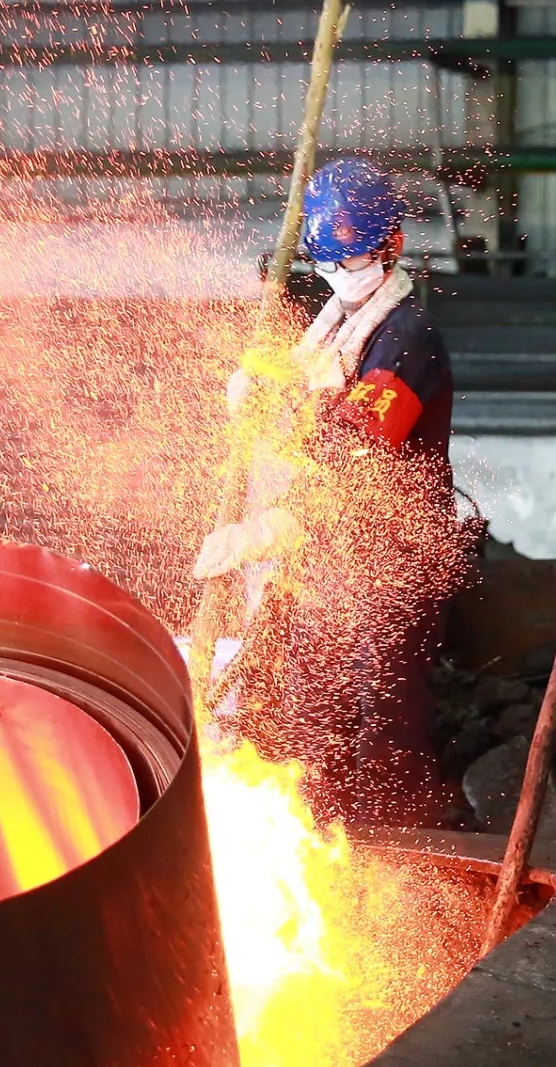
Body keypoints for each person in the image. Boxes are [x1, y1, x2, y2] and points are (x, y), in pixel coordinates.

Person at [193, 158, 459, 824]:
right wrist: (263, 397)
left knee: (383, 729)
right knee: (312, 725)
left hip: (387, 570)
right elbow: (309, 416)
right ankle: (328, 858)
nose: (339, 273)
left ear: (392, 244)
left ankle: (406, 872)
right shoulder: (331, 326)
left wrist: (267, 529)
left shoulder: (408, 338)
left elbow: (357, 457)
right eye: (330, 262)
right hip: (323, 563)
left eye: (353, 259)